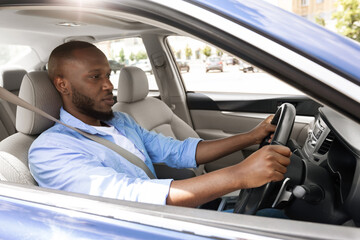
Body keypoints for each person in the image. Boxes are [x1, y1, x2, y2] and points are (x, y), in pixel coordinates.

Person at [28, 41, 291, 208]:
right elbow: (131, 197)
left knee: (276, 213)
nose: (108, 85)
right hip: (145, 227)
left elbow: (180, 152)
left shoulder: (121, 120)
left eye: (108, 75)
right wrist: (239, 175)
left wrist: (252, 136)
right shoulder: (50, 150)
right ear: (62, 84)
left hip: (166, 217)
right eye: (95, 77)